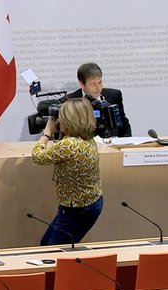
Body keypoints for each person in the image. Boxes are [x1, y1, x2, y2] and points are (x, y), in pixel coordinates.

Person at [31, 98, 103, 246]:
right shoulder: (88, 139)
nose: (59, 121)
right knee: (45, 244)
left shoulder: (68, 145)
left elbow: (37, 156)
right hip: (89, 203)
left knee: (52, 251)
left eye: (61, 117)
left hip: (77, 210)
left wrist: (47, 132)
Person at [67, 62, 131, 137]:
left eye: (100, 82)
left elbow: (123, 124)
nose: (98, 88)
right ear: (82, 84)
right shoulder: (70, 101)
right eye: (93, 84)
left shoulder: (114, 95)